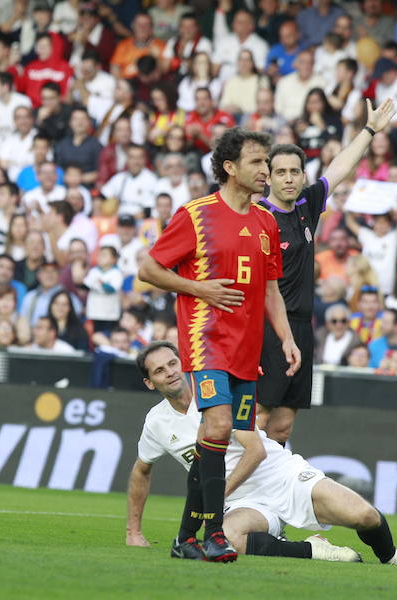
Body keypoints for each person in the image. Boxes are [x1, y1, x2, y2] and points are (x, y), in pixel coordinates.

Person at [138, 127, 300, 562]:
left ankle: (185, 538)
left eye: (267, 162)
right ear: (229, 168)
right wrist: (201, 289)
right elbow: (149, 269)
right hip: (206, 340)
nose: (265, 170)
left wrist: (285, 337)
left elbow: (270, 291)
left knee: (218, 437)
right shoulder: (196, 215)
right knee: (220, 428)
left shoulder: (267, 221)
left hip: (248, 350)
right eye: (257, 162)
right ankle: (214, 533)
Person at [127, 341, 397, 566]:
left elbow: (255, 452)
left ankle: (393, 556)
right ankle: (315, 549)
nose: (170, 373)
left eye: (173, 363)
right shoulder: (156, 422)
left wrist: (216, 496)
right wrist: (134, 532)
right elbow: (141, 471)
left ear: (183, 362)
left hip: (282, 477)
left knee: (364, 516)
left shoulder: (215, 391)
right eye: (160, 371)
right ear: (149, 383)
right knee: (226, 539)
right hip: (242, 503)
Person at [256, 98, 395, 444]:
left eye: (294, 172)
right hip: (270, 326)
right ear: (268, 177)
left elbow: (340, 168)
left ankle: (268, 495)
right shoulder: (258, 217)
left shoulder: (307, 205)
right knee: (259, 416)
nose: (289, 179)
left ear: (303, 176)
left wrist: (369, 130)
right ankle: (232, 492)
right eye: (281, 172)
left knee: (284, 426)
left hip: (303, 328)